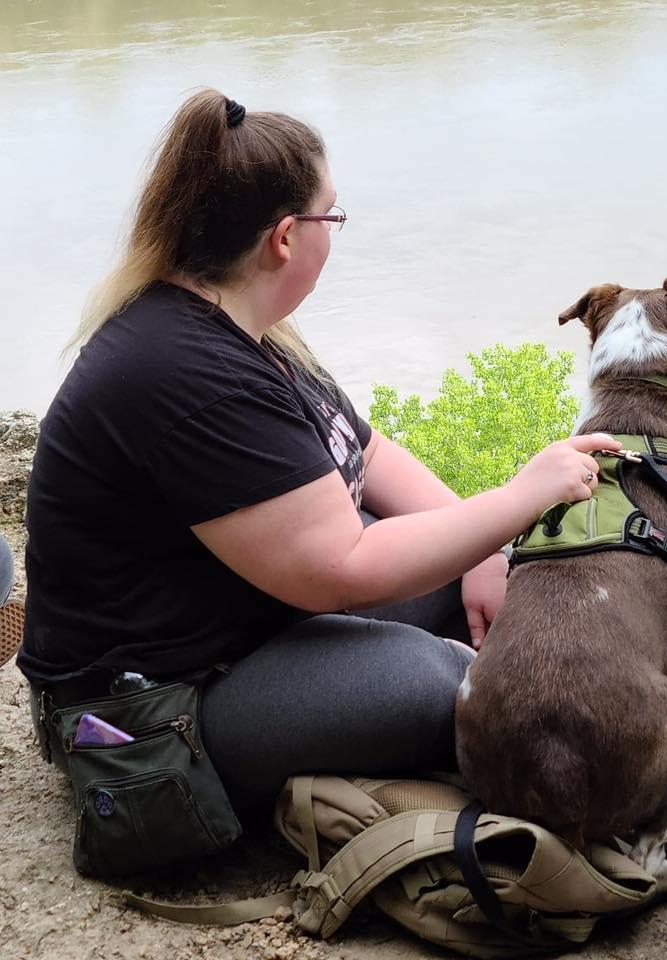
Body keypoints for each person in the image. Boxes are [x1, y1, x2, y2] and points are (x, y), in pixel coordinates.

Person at [18, 89, 619, 811]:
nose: (335, 229)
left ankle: (654, 680)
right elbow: (343, 568)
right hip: (158, 705)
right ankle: (615, 720)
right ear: (284, 237)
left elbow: (367, 453)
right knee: (437, 679)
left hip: (248, 619)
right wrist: (520, 498)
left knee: (495, 584)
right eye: (331, 215)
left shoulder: (244, 327)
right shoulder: (185, 371)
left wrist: (487, 553)